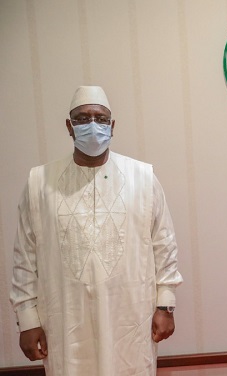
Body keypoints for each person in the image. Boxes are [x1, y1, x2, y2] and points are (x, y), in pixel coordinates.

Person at [10, 86, 183, 375]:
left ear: (112, 126)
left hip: (130, 318)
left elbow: (164, 245)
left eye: (101, 119)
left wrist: (165, 306)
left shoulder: (143, 177)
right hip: (65, 322)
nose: (93, 125)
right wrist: (27, 319)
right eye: (82, 118)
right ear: (69, 126)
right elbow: (24, 257)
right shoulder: (40, 181)